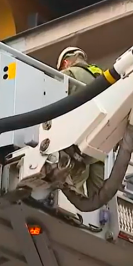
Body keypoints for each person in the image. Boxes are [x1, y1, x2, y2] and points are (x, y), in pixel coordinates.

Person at [56, 47, 105, 199]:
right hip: (99, 145)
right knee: (98, 196)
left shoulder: (68, 75)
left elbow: (53, 108)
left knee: (74, 192)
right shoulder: (101, 76)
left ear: (65, 62)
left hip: (76, 144)